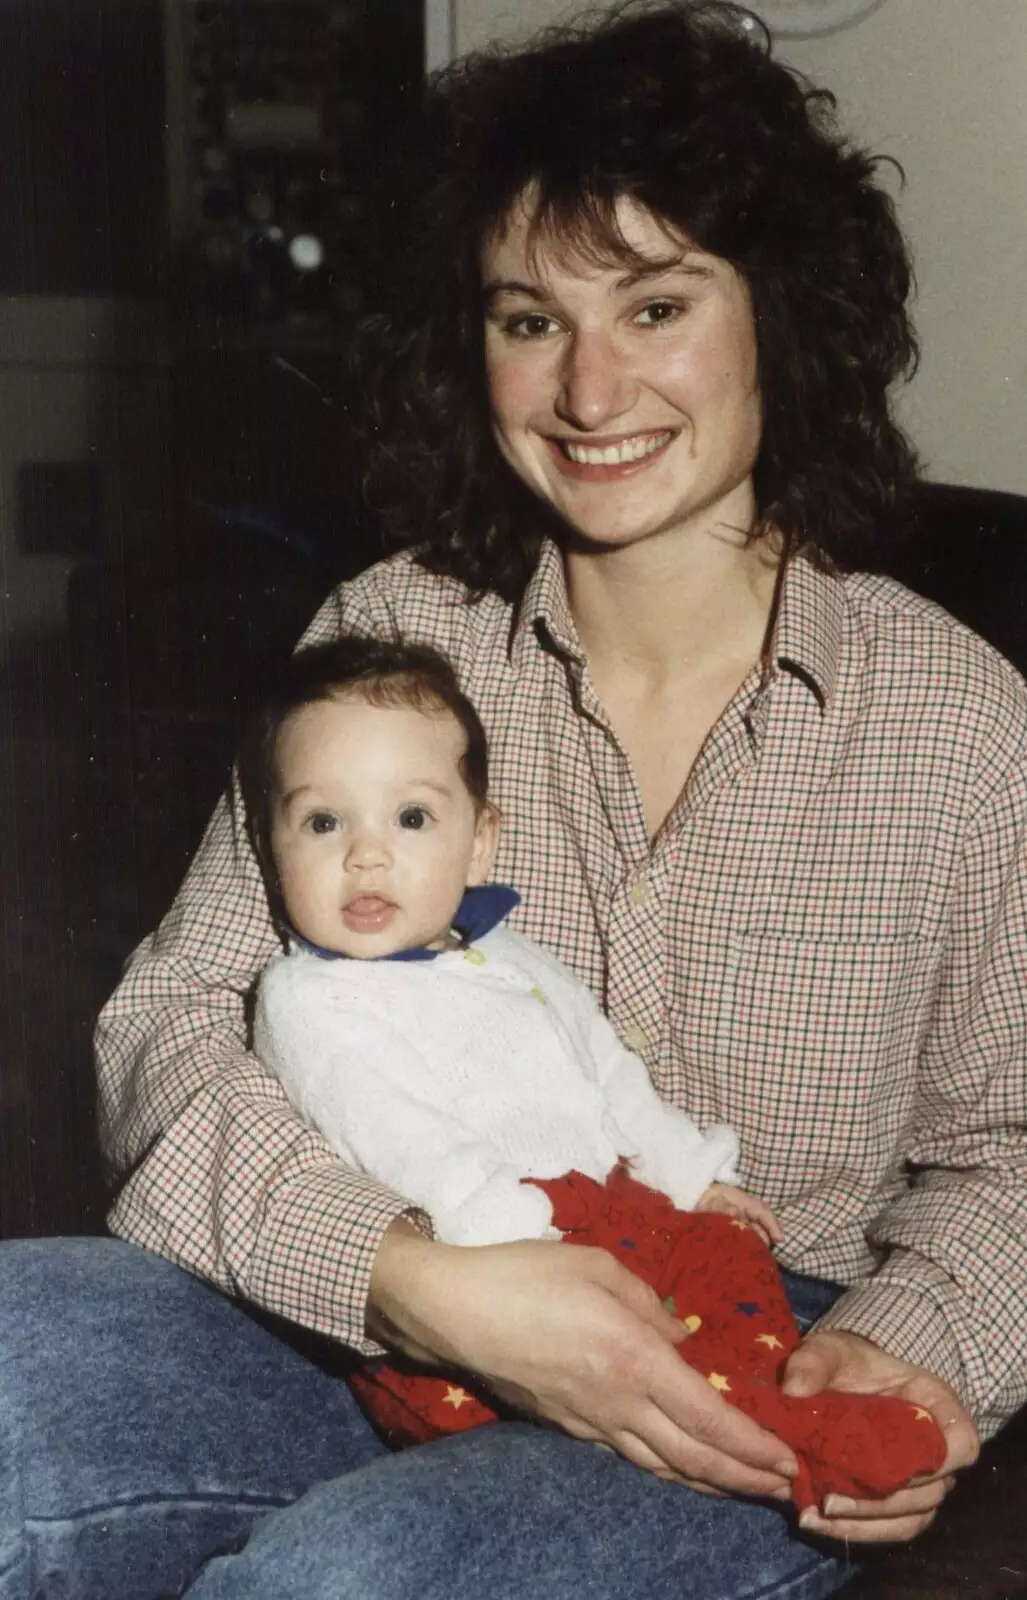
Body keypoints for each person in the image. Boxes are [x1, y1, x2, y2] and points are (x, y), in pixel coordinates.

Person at [0, 2, 1021, 1596]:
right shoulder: (386, 635)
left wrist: (902, 1356)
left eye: (656, 304)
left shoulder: (951, 717)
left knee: (348, 1584)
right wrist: (411, 1282)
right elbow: (173, 1023)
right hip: (360, 1317)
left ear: (778, 324)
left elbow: (1015, 1146)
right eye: (527, 319)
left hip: (742, 1364)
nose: (588, 387)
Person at [242, 632, 946, 1510]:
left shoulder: (511, 954)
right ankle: (774, 1446)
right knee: (520, 1407)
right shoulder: (310, 997)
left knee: (726, 1257)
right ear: (269, 852)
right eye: (322, 822)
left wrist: (691, 1176)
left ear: (479, 842)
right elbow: (394, 1135)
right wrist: (504, 1238)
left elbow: (610, 1073)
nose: (366, 855)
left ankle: (779, 1409)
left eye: (412, 818)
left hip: (619, 1205)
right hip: (479, 1252)